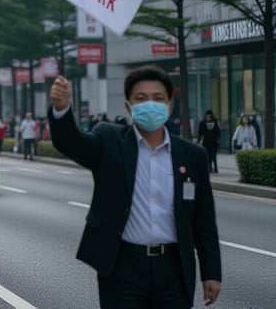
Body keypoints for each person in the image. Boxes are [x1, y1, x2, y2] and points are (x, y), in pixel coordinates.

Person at [48, 66, 221, 308]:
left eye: (158, 98)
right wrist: (61, 108)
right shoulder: (109, 141)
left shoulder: (193, 155)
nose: (150, 104)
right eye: (141, 98)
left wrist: (211, 272)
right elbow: (71, 143)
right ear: (129, 107)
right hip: (123, 266)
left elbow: (204, 220)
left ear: (170, 106)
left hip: (174, 268)